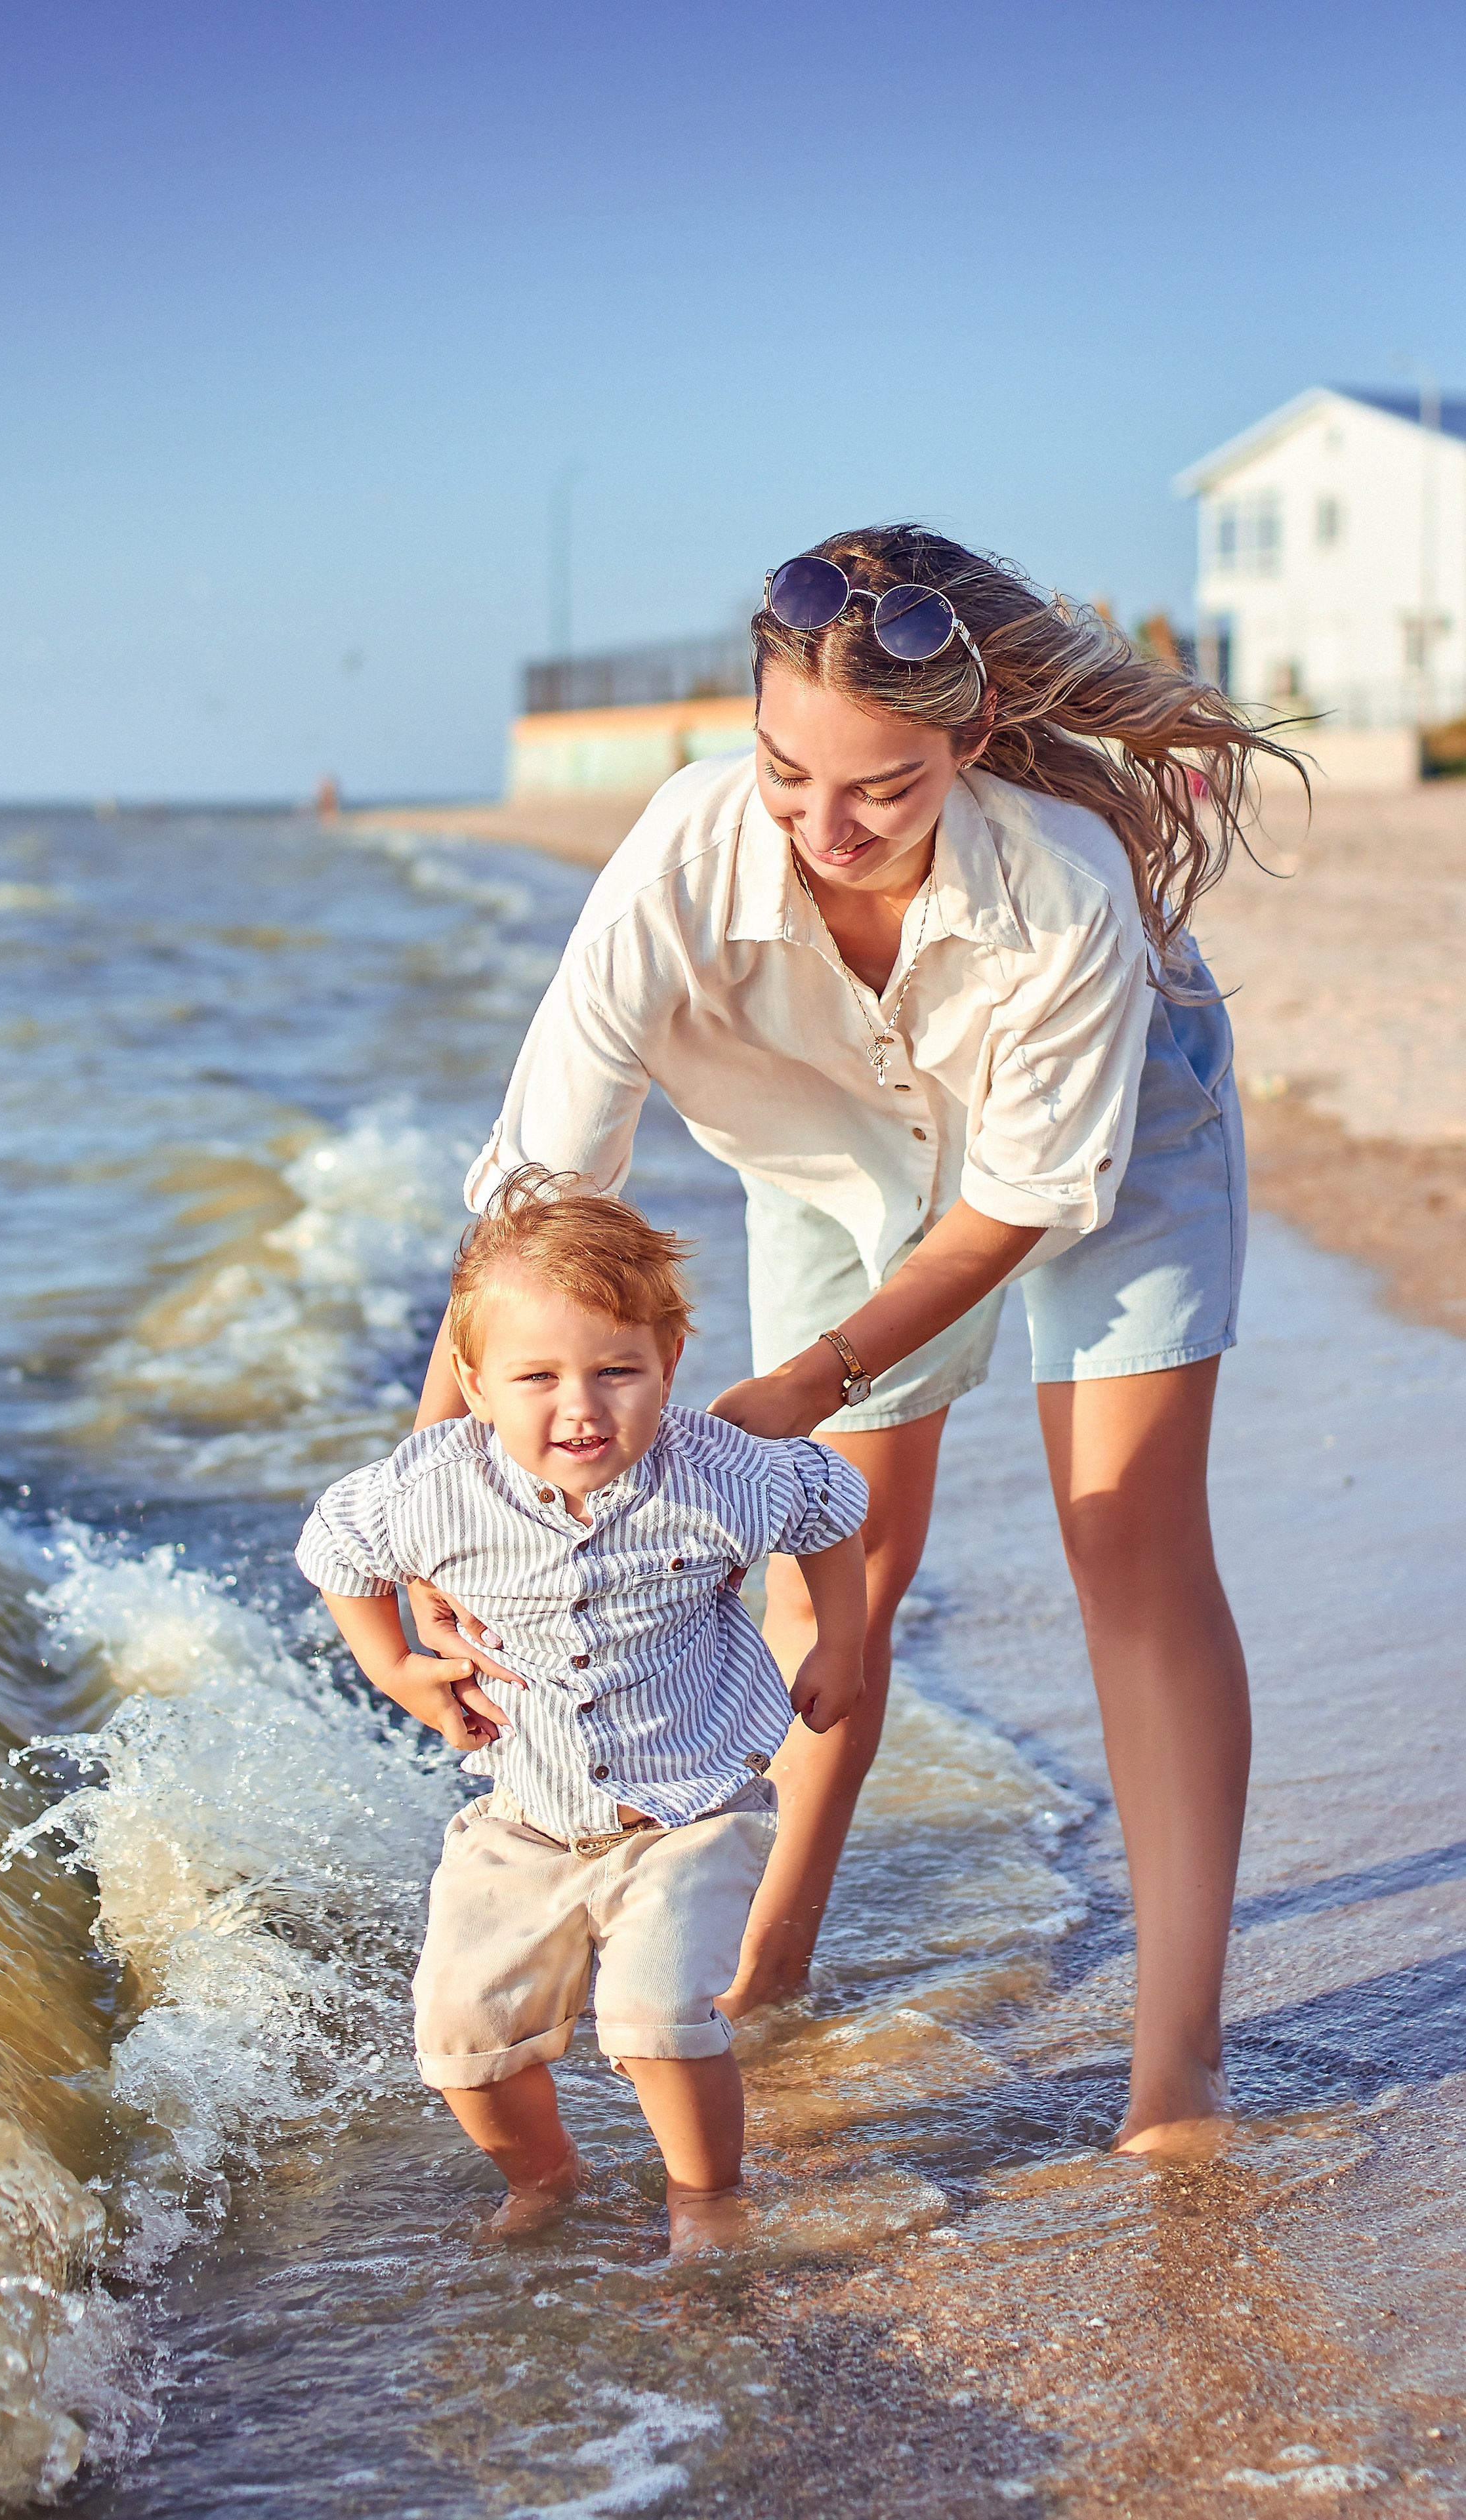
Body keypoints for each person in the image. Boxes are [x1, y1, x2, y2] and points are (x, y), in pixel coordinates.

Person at [404, 524, 1307, 2156]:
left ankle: (1174, 2069)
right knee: (843, 1548)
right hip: (822, 1148)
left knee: (1125, 1546)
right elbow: (524, 1220)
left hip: (1097, 1156)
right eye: (782, 769)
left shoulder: (1062, 889)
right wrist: (432, 1504)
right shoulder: (677, 863)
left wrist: (806, 1378)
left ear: (964, 743)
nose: (824, 827)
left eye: (881, 788)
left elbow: (1010, 1207)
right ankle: (766, 1956)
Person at [296, 1170, 869, 2253]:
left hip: (692, 1802)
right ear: (472, 1381)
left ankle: (707, 2198)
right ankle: (547, 2178)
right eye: (538, 1376)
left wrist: (841, 1641)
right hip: (525, 1815)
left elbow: (830, 1506)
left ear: (669, 1365)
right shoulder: (432, 1488)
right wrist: (394, 1669)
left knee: (657, 2017)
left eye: (618, 1371)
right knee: (462, 2034)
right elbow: (337, 1550)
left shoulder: (719, 1471)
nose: (581, 1406)